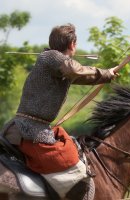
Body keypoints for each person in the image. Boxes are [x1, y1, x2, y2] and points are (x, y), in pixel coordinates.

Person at [1, 23, 118, 199]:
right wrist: (106, 73)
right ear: (72, 44)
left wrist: (107, 75)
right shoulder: (51, 57)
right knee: (75, 168)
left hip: (32, 129)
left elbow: (80, 75)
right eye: (75, 45)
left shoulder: (56, 66)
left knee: (70, 144)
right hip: (31, 131)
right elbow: (75, 69)